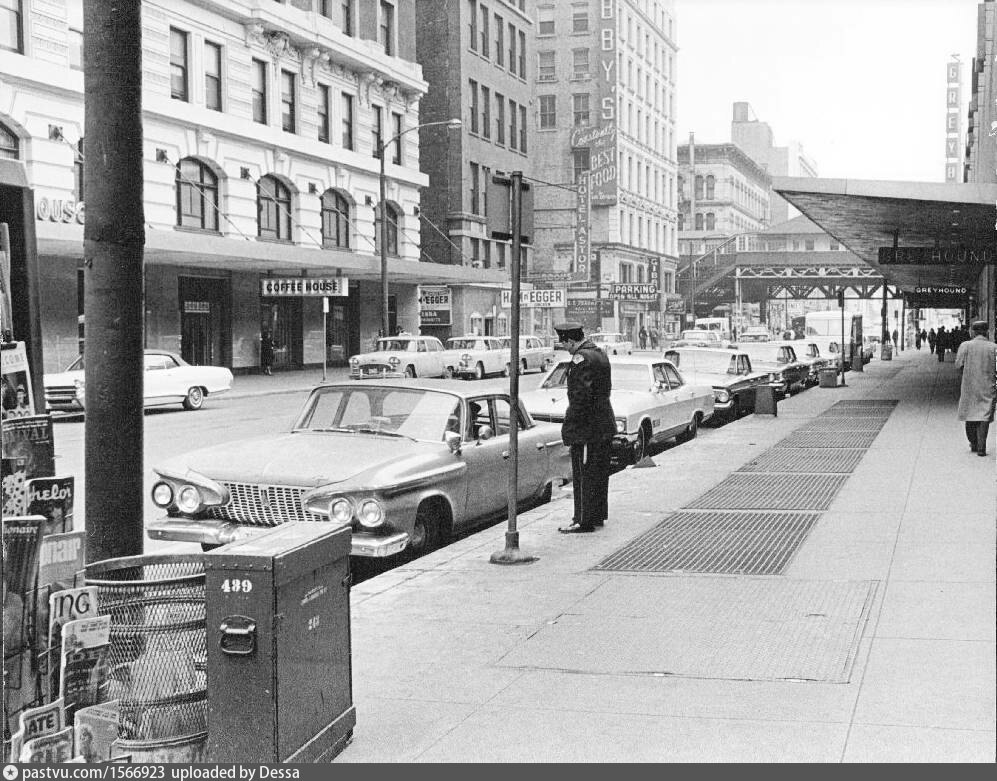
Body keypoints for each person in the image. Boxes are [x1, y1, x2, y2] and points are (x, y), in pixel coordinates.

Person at [554, 322, 616, 533]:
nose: (567, 349)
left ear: (570, 340)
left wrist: (570, 426)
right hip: (603, 423)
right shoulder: (599, 353)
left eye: (565, 345)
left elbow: (580, 397)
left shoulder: (581, 359)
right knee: (599, 473)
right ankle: (597, 515)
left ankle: (583, 519)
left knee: (583, 474)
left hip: (587, 428)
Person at [955, 321, 996, 457]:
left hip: (970, 386)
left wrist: (967, 374)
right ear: (987, 332)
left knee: (970, 415)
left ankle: (974, 443)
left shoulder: (965, 346)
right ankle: (981, 447)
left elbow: (958, 365)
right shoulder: (993, 347)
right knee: (984, 416)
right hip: (988, 387)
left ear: (972, 332)